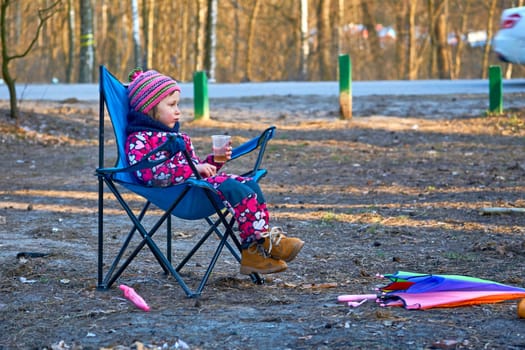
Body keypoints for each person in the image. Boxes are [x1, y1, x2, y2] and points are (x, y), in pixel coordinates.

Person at [124, 68, 304, 275]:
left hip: (196, 188)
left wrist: (213, 162)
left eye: (178, 104)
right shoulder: (139, 140)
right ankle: (266, 244)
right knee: (232, 187)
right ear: (148, 108)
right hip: (181, 196)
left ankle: (254, 251)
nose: (178, 111)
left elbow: (196, 168)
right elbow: (150, 174)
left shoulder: (178, 137)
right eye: (171, 105)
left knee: (249, 185)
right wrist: (195, 169)